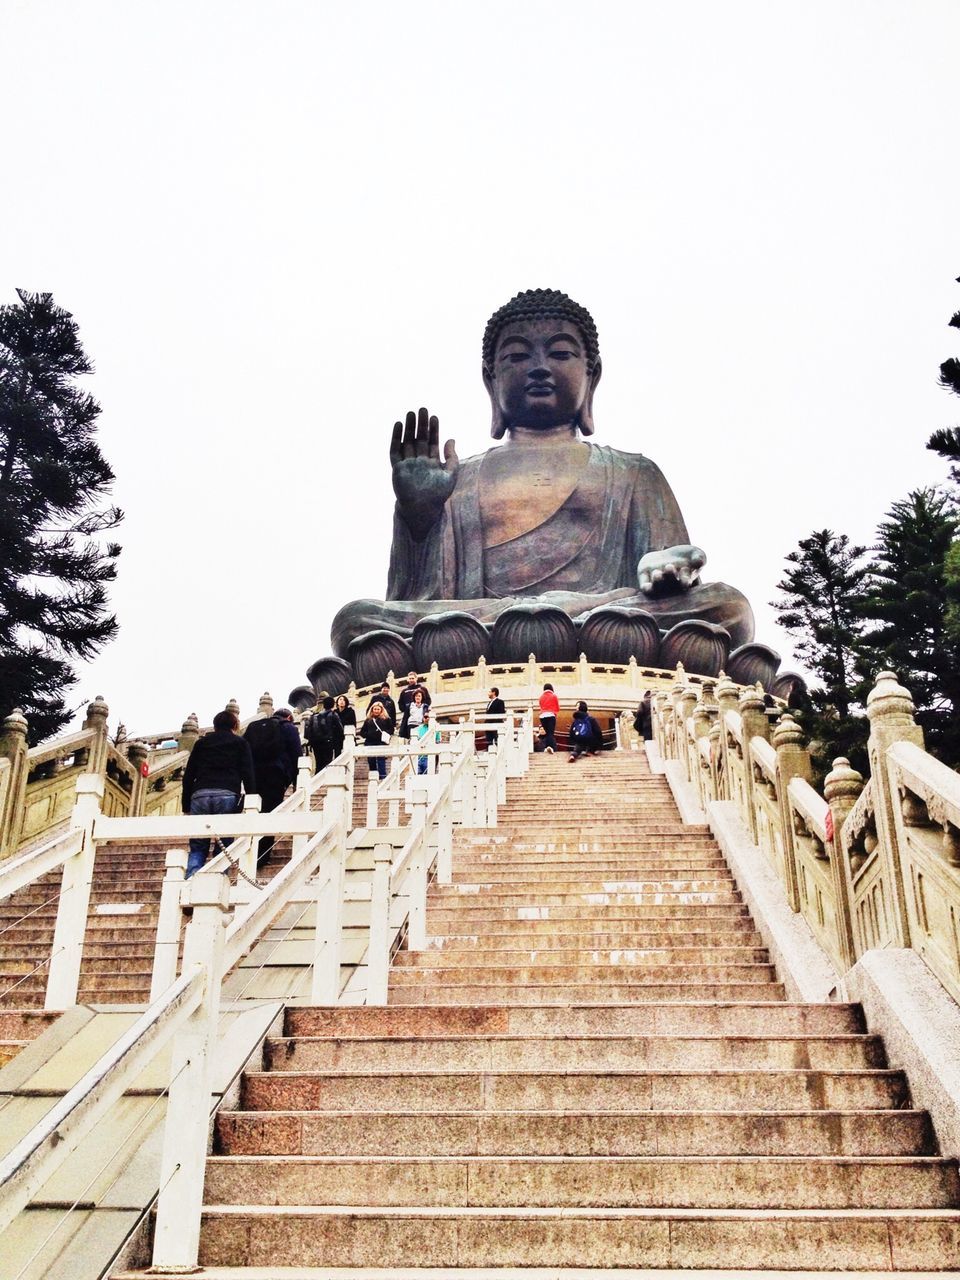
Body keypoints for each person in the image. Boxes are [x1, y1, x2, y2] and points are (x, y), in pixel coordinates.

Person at [331, 289, 755, 661]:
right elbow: (415, 601)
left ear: (593, 375)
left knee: (727, 607)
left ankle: (561, 619)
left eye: (560, 353)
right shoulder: (461, 478)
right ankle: (554, 621)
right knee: (356, 621)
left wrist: (666, 564)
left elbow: (669, 570)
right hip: (490, 628)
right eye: (517, 356)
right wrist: (418, 518)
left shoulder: (633, 472)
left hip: (606, 618)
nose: (538, 367)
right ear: (489, 379)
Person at [182, 709, 255, 878]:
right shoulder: (240, 743)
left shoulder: (201, 744)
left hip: (200, 795)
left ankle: (190, 883)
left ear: (214, 726)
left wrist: (186, 804)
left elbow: (189, 775)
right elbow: (248, 773)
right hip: (227, 794)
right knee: (224, 845)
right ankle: (216, 881)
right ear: (235, 725)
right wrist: (251, 799)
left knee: (198, 845)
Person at [244, 707, 302, 865]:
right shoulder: (289, 728)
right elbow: (297, 754)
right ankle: (261, 857)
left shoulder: (255, 727)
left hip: (254, 776)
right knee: (270, 812)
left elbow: (244, 750)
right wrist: (298, 781)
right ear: (289, 717)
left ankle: (248, 851)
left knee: (254, 812)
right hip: (275, 775)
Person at [305, 696, 344, 771]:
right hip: (328, 742)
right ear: (333, 705)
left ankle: (316, 780)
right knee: (327, 763)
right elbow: (340, 730)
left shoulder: (314, 716)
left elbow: (307, 732)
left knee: (318, 764)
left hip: (315, 743)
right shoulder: (333, 715)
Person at [359, 700, 392, 780]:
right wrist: (369, 734)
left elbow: (391, 730)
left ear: (381, 710)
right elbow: (362, 732)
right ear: (372, 710)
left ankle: (382, 776)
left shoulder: (386, 719)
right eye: (375, 709)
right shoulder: (368, 720)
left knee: (381, 759)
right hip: (370, 742)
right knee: (371, 759)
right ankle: (373, 776)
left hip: (381, 742)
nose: (376, 711)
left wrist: (384, 733)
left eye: (378, 709)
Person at [397, 670, 431, 736]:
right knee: (408, 735)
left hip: (421, 716)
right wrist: (406, 709)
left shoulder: (422, 689)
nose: (411, 680)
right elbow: (400, 702)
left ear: (416, 678)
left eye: (413, 678)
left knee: (421, 735)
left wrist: (422, 707)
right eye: (410, 678)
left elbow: (428, 700)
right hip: (409, 716)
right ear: (407, 680)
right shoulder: (405, 691)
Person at [414, 706, 439, 775]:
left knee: (428, 777)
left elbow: (438, 742)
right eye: (425, 717)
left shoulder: (437, 728)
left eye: (429, 717)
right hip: (418, 757)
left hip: (429, 757)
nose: (427, 719)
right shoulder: (419, 729)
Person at [538, 682, 559, 753]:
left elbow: (540, 706)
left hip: (542, 716)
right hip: (550, 715)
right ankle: (550, 746)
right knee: (550, 733)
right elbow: (557, 707)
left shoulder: (541, 697)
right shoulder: (554, 696)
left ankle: (546, 747)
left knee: (546, 732)